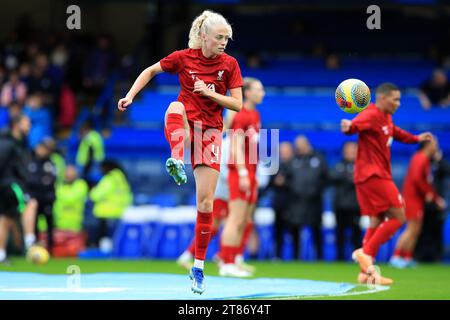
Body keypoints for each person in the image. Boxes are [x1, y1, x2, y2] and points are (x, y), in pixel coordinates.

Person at [117, 10, 243, 294]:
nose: (224, 42)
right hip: (186, 122)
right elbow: (150, 70)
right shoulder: (183, 57)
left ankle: (197, 266)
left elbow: (238, 105)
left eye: (227, 38)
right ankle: (176, 157)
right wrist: (130, 95)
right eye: (219, 37)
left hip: (210, 134)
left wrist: (210, 93)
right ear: (203, 37)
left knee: (206, 203)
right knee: (175, 106)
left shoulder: (230, 64)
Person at [341, 82, 433, 285]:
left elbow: (396, 132)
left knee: (376, 221)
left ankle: (367, 273)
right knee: (399, 216)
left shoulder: (386, 118)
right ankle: (366, 253)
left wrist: (417, 138)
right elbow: (355, 125)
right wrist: (349, 127)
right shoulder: (371, 114)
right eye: (395, 99)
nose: (398, 103)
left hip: (371, 176)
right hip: (373, 175)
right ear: (382, 98)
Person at [218, 77, 264, 277]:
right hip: (239, 172)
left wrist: (255, 174)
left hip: (251, 172)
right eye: (259, 89)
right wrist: (244, 172)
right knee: (234, 219)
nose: (263, 93)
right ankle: (225, 262)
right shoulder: (241, 115)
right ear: (248, 92)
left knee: (244, 219)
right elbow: (235, 146)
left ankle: (234, 259)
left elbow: (252, 148)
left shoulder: (255, 114)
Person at [390, 137, 446, 268]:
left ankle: (407, 257)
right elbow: (418, 179)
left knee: (416, 230)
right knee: (411, 229)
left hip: (417, 199)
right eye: (434, 143)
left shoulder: (424, 159)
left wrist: (431, 195)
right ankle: (396, 256)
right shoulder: (420, 158)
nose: (436, 146)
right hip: (412, 198)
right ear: (427, 145)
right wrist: (431, 195)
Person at [0, 114, 37, 264]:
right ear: (16, 125)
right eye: (26, 123)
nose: (29, 127)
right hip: (10, 184)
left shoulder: (19, 143)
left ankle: (1, 254)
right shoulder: (8, 143)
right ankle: (30, 242)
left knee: (5, 219)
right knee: (30, 203)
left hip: (8, 184)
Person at [286, 135, 328, 260]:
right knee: (295, 230)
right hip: (296, 202)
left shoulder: (319, 159)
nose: (299, 147)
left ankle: (319, 258)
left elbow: (326, 177)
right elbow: (286, 177)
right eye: (297, 145)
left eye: (301, 144)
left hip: (314, 201)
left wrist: (316, 190)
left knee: (316, 229)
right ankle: (296, 257)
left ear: (307, 144)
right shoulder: (293, 160)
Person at [89, 160, 133, 251]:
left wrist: (92, 191)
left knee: (104, 236)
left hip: (106, 212)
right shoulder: (122, 179)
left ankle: (104, 254)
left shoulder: (109, 179)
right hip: (119, 212)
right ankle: (113, 253)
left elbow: (96, 195)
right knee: (114, 237)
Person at [329, 141, 361, 261]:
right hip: (340, 206)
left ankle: (358, 259)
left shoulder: (361, 165)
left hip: (355, 206)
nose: (351, 152)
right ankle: (340, 258)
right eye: (348, 150)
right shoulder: (338, 165)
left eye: (353, 150)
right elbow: (332, 177)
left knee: (356, 234)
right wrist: (349, 178)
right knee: (340, 233)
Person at [26, 141, 57, 254]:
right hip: (34, 199)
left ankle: (50, 248)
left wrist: (39, 182)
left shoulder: (50, 164)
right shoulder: (31, 162)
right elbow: (29, 180)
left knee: (49, 224)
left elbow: (51, 180)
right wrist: (41, 181)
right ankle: (34, 247)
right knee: (34, 224)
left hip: (47, 198)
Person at [268, 141, 295, 260]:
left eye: (286, 151)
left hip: (293, 204)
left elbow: (299, 183)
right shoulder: (275, 166)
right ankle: (277, 255)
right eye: (282, 151)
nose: (284, 154)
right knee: (278, 231)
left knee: (294, 231)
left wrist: (286, 183)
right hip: (279, 204)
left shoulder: (296, 164)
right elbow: (270, 183)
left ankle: (296, 257)